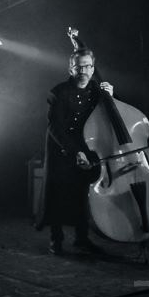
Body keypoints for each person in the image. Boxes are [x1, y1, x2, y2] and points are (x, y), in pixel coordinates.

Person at [36, 49, 114, 255]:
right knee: (58, 194)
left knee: (82, 193)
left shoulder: (98, 91)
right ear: (71, 69)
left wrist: (112, 97)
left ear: (93, 69)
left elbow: (113, 115)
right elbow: (55, 127)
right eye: (79, 67)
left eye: (87, 66)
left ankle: (82, 239)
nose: (83, 71)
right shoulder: (58, 92)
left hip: (88, 145)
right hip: (61, 147)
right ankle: (56, 240)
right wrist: (75, 152)